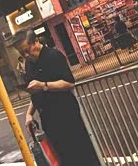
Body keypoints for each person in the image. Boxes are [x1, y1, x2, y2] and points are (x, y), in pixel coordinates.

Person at [14, 30, 99, 166]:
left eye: (27, 50)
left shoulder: (53, 56)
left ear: (36, 41)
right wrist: (29, 114)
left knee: (82, 154)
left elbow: (69, 83)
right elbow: (35, 92)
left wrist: (43, 85)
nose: (26, 55)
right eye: (21, 53)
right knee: (64, 157)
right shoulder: (29, 64)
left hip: (66, 115)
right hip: (48, 119)